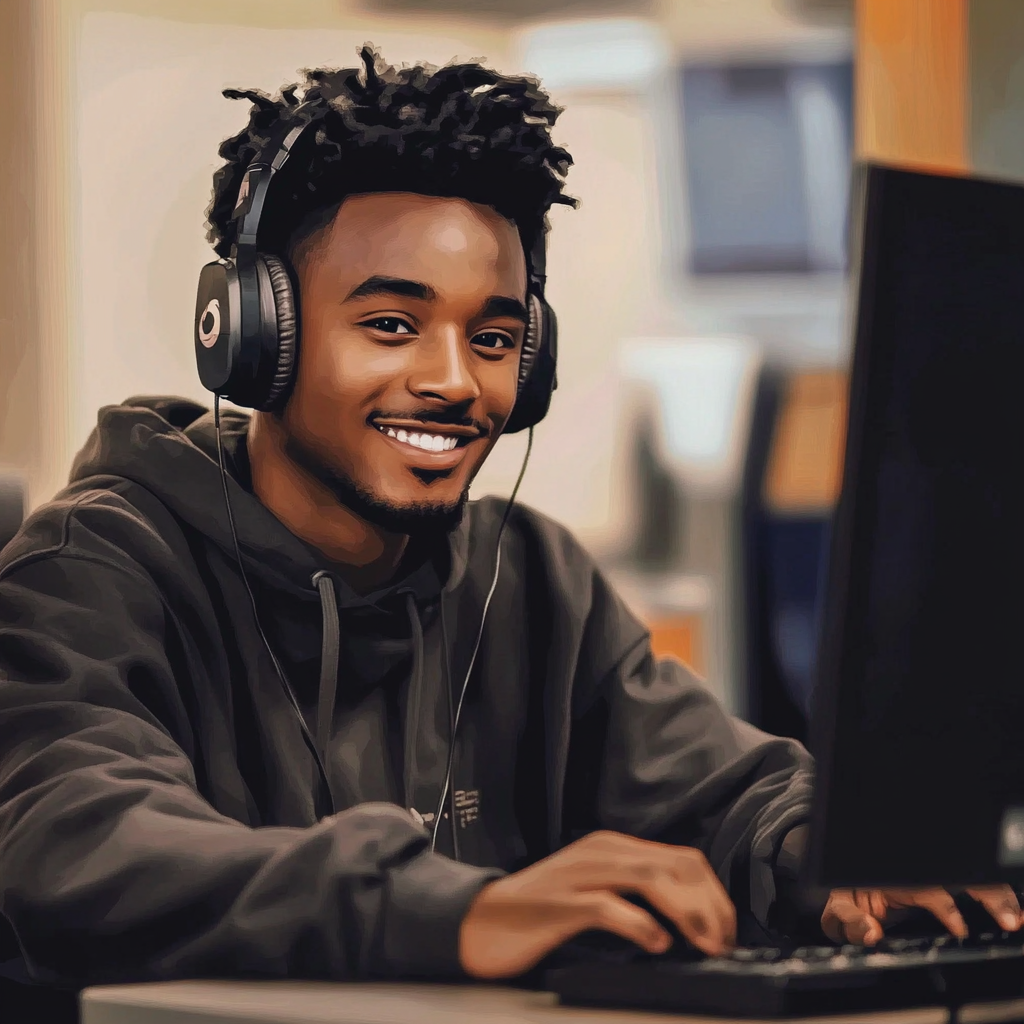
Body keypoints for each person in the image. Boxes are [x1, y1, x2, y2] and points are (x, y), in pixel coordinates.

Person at [0, 46, 1018, 994]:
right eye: (390, 324)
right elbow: (78, 840)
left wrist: (819, 857)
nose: (453, 380)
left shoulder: (523, 576)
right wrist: (456, 907)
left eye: (492, 336)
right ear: (255, 336)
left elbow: (722, 788)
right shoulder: (93, 566)